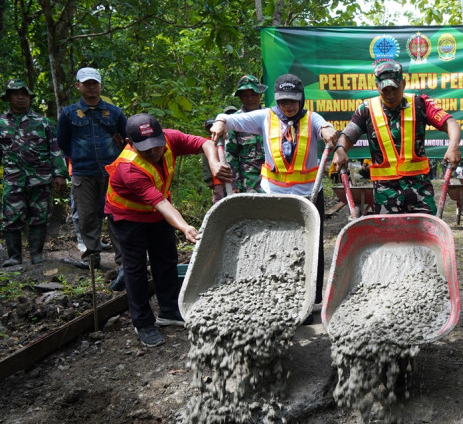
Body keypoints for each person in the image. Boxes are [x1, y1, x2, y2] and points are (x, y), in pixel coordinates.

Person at [210, 74, 338, 305]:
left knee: (312, 245)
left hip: (309, 194)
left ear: (301, 99)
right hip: (275, 195)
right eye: (283, 101)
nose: (288, 106)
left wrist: (327, 129)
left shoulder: (312, 118)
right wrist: (220, 121)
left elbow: (324, 127)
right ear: (276, 100)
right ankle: (280, 296)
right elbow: (232, 121)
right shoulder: (265, 117)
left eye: (293, 100)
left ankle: (311, 297)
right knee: (277, 244)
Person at [105, 113, 231, 347]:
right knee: (135, 269)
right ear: (129, 143)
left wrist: (214, 163)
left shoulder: (170, 139)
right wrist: (185, 227)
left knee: (166, 259)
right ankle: (143, 323)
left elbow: (204, 143)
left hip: (158, 213)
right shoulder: (129, 168)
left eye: (157, 145)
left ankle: (169, 310)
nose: (154, 152)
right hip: (128, 216)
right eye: (146, 149)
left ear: (162, 135)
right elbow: (161, 203)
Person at [333, 61, 462, 214]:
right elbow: (347, 136)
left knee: (429, 228)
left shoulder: (420, 104)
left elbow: (450, 123)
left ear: (404, 83)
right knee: (387, 230)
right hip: (385, 195)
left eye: (394, 89)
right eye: (385, 90)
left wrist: (453, 147)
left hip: (420, 192)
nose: (390, 95)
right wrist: (340, 150)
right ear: (377, 87)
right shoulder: (366, 110)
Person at [57, 67, 126, 285]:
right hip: (83, 172)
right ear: (78, 86)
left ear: (101, 86)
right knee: (86, 216)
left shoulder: (114, 113)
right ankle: (91, 258)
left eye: (94, 83)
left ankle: (123, 259)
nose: (91, 88)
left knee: (116, 215)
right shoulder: (68, 114)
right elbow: (63, 142)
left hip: (112, 172)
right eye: (86, 84)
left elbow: (127, 140)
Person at [0, 80, 68, 266]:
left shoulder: (43, 122)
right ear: (8, 98)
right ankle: (14, 257)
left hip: (40, 179)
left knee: (40, 216)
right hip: (13, 179)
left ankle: (36, 255)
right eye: (16, 94)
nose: (21, 98)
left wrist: (60, 175)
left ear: (30, 98)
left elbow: (56, 150)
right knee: (11, 217)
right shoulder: (2, 123)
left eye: (24, 94)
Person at [226, 76, 266, 193]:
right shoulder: (234, 121)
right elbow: (231, 155)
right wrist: (235, 184)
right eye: (245, 95)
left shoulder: (271, 116)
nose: (249, 99)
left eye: (253, 94)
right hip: (249, 183)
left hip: (274, 180)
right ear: (240, 98)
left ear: (260, 95)